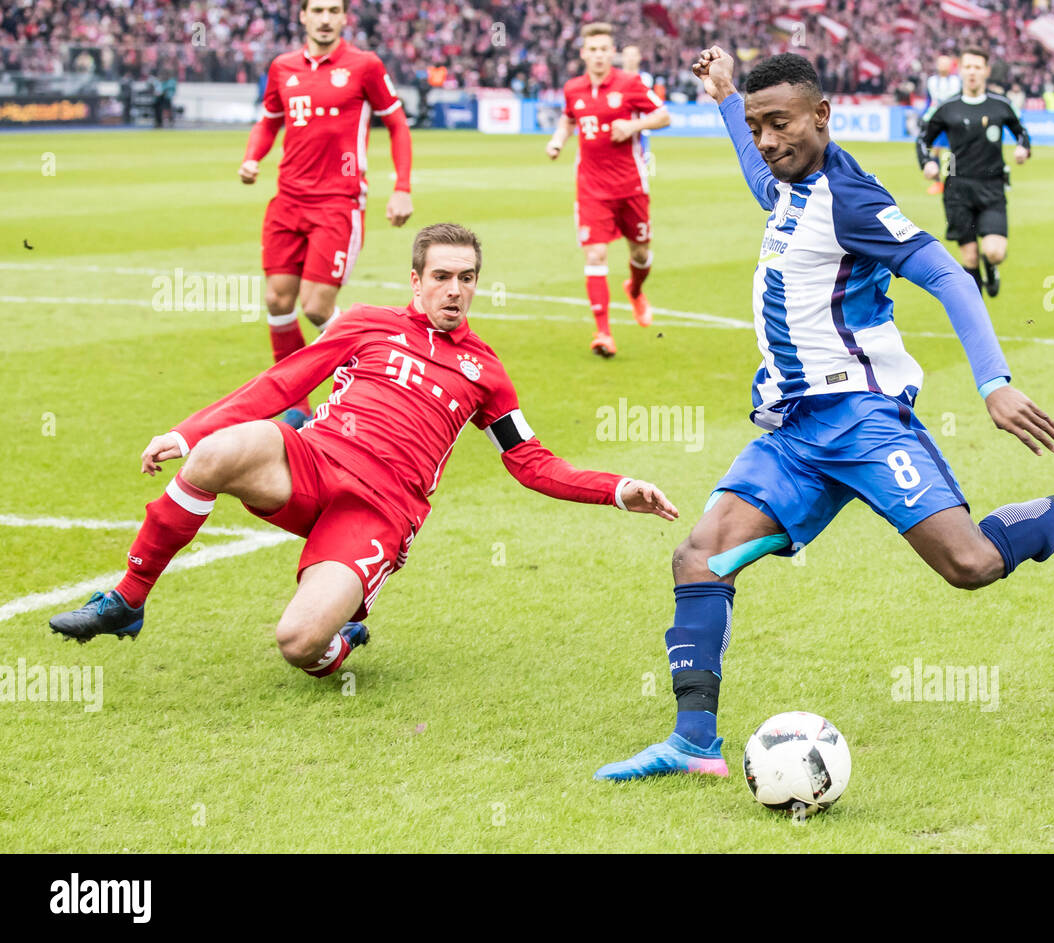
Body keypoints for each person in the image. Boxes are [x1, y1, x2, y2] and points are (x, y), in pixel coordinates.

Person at [594, 49, 1054, 782]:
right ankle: (694, 742)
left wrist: (994, 381)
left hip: (863, 420)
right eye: (757, 126)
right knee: (698, 555)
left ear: (822, 116)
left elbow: (946, 274)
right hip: (793, 431)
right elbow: (758, 172)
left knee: (971, 564)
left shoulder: (851, 199)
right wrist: (729, 97)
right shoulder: (787, 180)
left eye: (780, 124)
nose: (766, 141)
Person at [49, 224, 679, 682]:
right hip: (312, 462)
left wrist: (619, 489)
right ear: (416, 280)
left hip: (378, 512)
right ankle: (128, 601)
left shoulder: (486, 373)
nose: (454, 290)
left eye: (466, 278)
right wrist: (187, 433)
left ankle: (341, 636)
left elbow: (533, 464)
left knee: (299, 646)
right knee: (214, 454)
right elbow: (282, 384)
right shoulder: (366, 322)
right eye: (441, 277)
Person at [239, 0, 414, 428]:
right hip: (287, 200)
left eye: (332, 10)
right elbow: (269, 121)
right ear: (302, 16)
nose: (324, 18)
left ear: (343, 17)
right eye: (316, 9)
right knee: (277, 301)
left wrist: (402, 188)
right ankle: (297, 403)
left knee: (316, 307)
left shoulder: (365, 65)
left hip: (338, 201)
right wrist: (252, 158)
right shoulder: (282, 66)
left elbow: (397, 125)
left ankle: (371, 384)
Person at [546, 22, 670, 358]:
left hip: (630, 185)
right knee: (595, 254)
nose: (599, 55)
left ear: (611, 52)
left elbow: (663, 116)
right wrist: (558, 141)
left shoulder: (630, 84)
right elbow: (569, 118)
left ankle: (635, 289)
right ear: (584, 53)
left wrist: (634, 124)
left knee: (641, 253)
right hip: (591, 187)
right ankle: (603, 333)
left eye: (604, 49)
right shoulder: (573, 88)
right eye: (593, 49)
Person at [916, 48, 1030, 298]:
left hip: (992, 187)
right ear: (961, 71)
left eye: (977, 67)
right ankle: (976, 314)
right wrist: (926, 162)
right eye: (967, 67)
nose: (972, 72)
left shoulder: (1001, 105)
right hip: (957, 187)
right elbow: (923, 138)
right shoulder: (947, 107)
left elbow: (1022, 132)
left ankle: (991, 267)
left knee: (994, 252)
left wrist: (1023, 149)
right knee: (969, 258)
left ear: (986, 71)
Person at [920, 54, 961, 195]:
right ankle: (937, 182)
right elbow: (929, 101)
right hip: (937, 121)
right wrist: (925, 116)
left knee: (953, 152)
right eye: (941, 63)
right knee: (935, 150)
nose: (943, 66)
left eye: (946, 63)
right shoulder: (931, 81)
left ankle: (952, 182)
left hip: (953, 121)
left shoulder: (957, 81)